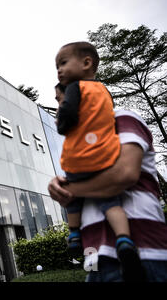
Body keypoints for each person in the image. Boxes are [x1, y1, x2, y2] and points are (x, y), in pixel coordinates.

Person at [54, 41, 142, 280]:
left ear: (86, 63)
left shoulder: (75, 88)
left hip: (78, 159)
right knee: (111, 202)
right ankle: (124, 239)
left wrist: (63, 123)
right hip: (105, 156)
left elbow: (69, 113)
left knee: (72, 199)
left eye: (62, 63)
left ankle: (73, 235)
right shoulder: (104, 91)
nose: (59, 70)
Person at [48, 108, 167, 282]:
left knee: (110, 204)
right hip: (95, 260)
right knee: (98, 205)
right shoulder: (74, 140)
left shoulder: (118, 118)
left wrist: (70, 188)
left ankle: (122, 239)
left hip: (144, 254)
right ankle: (76, 235)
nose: (60, 105)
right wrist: (60, 185)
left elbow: (124, 174)